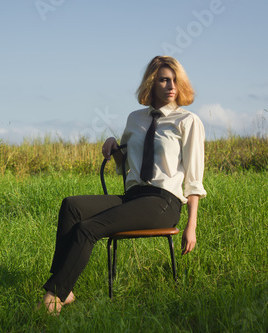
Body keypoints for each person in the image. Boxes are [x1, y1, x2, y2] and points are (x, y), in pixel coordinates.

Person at [39, 55, 207, 315]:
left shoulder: (188, 121)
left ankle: (53, 298)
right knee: (72, 206)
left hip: (163, 202)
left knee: (88, 229)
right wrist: (112, 145)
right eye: (164, 80)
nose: (171, 86)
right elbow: (125, 162)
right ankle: (65, 287)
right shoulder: (135, 118)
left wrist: (191, 225)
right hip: (134, 196)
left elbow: (195, 179)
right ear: (151, 83)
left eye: (175, 80)